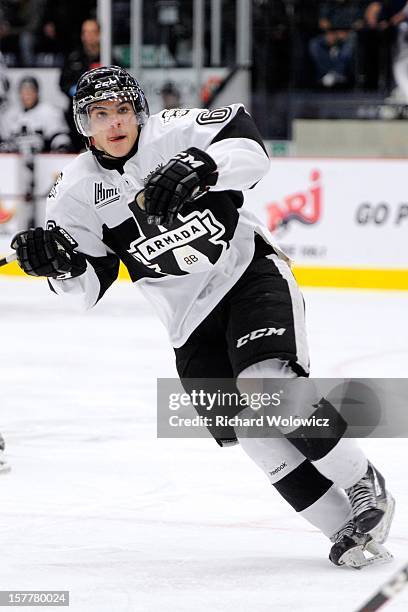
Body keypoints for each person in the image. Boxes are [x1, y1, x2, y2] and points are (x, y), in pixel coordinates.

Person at [10, 66, 395, 568]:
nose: (115, 123)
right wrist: (57, 265)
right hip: (186, 319)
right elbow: (85, 286)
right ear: (84, 124)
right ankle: (341, 528)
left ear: (140, 112)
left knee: (267, 384)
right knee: (250, 431)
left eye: (123, 110)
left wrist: (203, 166)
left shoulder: (174, 132)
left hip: (246, 274)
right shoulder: (75, 192)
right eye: (100, 115)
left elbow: (251, 147)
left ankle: (362, 482)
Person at [0, 76, 71, 152]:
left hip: (43, 158)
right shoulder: (9, 114)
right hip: (12, 159)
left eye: (30, 91)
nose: (27, 95)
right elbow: (4, 140)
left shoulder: (50, 111)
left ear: (37, 92)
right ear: (19, 94)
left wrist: (60, 148)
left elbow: (61, 138)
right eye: (24, 91)